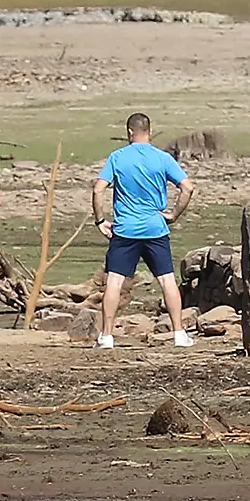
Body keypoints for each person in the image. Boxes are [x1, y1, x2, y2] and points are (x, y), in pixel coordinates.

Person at [90, 112, 193, 348]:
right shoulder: (162, 158)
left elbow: (98, 190)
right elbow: (187, 187)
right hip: (155, 229)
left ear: (129, 133)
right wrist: (173, 215)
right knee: (167, 281)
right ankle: (179, 334)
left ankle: (106, 336)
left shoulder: (117, 157)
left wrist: (100, 220)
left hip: (125, 230)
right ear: (150, 130)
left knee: (114, 282)